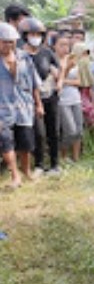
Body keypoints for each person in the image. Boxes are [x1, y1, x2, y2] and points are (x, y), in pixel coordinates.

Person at [0, 22, 43, 186]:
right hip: (2, 110)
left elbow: (34, 83)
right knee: (6, 144)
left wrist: (39, 104)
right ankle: (15, 176)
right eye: (4, 41)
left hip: (24, 108)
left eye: (11, 41)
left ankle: (26, 170)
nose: (8, 45)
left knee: (26, 143)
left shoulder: (24, 57)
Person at [20, 17, 61, 176]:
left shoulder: (47, 52)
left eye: (38, 34)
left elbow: (57, 68)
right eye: (32, 34)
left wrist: (59, 80)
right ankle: (39, 165)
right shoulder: (21, 55)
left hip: (50, 96)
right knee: (38, 133)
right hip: (30, 99)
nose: (35, 37)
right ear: (25, 35)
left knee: (53, 131)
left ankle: (55, 164)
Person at [56, 35, 83, 162]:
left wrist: (65, 80)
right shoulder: (54, 60)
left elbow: (79, 82)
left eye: (67, 45)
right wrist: (66, 69)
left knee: (78, 130)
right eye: (61, 45)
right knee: (70, 130)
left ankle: (76, 158)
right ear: (55, 46)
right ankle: (63, 156)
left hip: (76, 98)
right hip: (62, 100)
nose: (65, 48)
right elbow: (57, 81)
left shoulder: (73, 60)